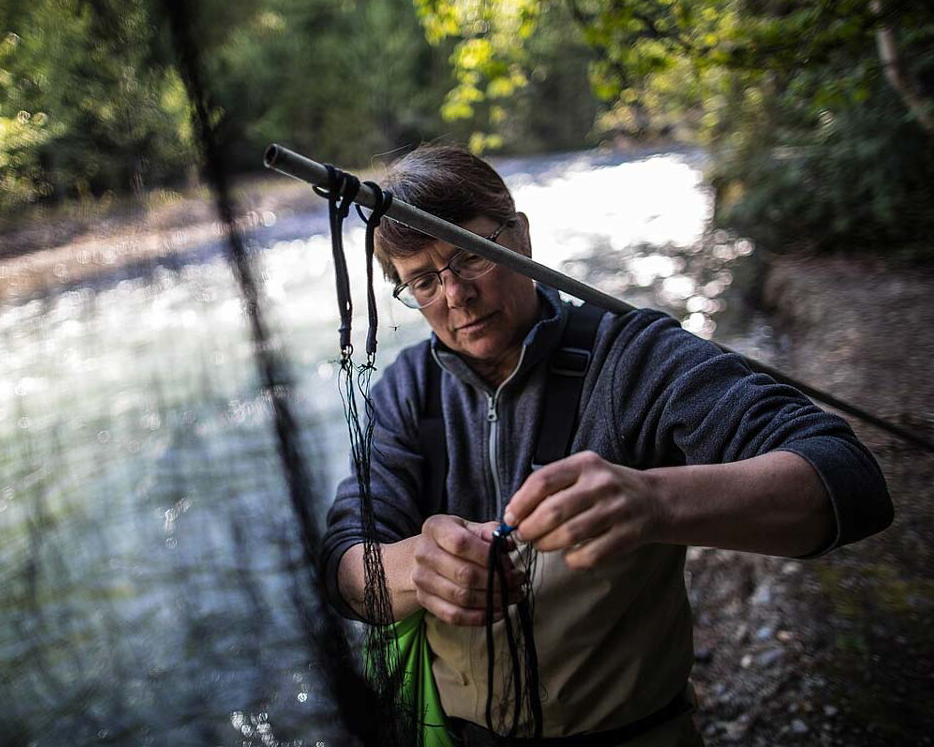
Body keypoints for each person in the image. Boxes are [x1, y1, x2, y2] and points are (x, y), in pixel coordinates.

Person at [319, 145, 893, 745]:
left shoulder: (635, 358)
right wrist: (416, 568)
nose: (455, 295)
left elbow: (849, 481)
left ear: (520, 237)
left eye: (469, 255)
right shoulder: (406, 391)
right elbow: (344, 567)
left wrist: (653, 502)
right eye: (424, 281)